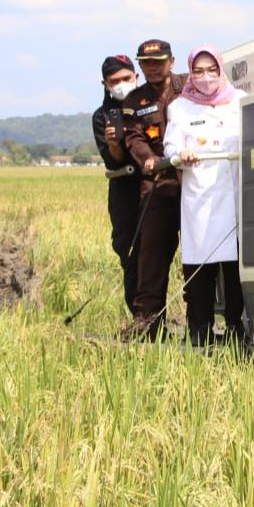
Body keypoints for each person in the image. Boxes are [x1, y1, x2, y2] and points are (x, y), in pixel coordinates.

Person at [163, 45, 246, 346]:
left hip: (236, 190)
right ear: (190, 72)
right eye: (198, 70)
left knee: (236, 266)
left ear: (221, 69)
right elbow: (170, 147)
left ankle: (238, 328)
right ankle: (199, 330)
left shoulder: (240, 101)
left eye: (212, 69)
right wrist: (180, 153)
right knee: (201, 266)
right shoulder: (180, 107)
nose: (206, 77)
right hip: (200, 194)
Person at [120, 39, 185, 340]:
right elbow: (134, 139)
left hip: (195, 184)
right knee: (152, 255)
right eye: (146, 63)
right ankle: (147, 320)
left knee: (201, 254)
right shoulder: (134, 101)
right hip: (157, 185)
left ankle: (201, 319)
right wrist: (149, 161)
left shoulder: (190, 86)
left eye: (159, 61)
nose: (153, 67)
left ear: (172, 61)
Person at [91, 55, 141, 315]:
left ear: (136, 77)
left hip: (159, 188)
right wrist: (113, 143)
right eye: (114, 81)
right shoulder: (103, 117)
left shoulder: (149, 106)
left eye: (126, 79)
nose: (121, 85)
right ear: (105, 84)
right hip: (125, 194)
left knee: (160, 255)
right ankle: (143, 322)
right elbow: (114, 162)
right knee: (131, 256)